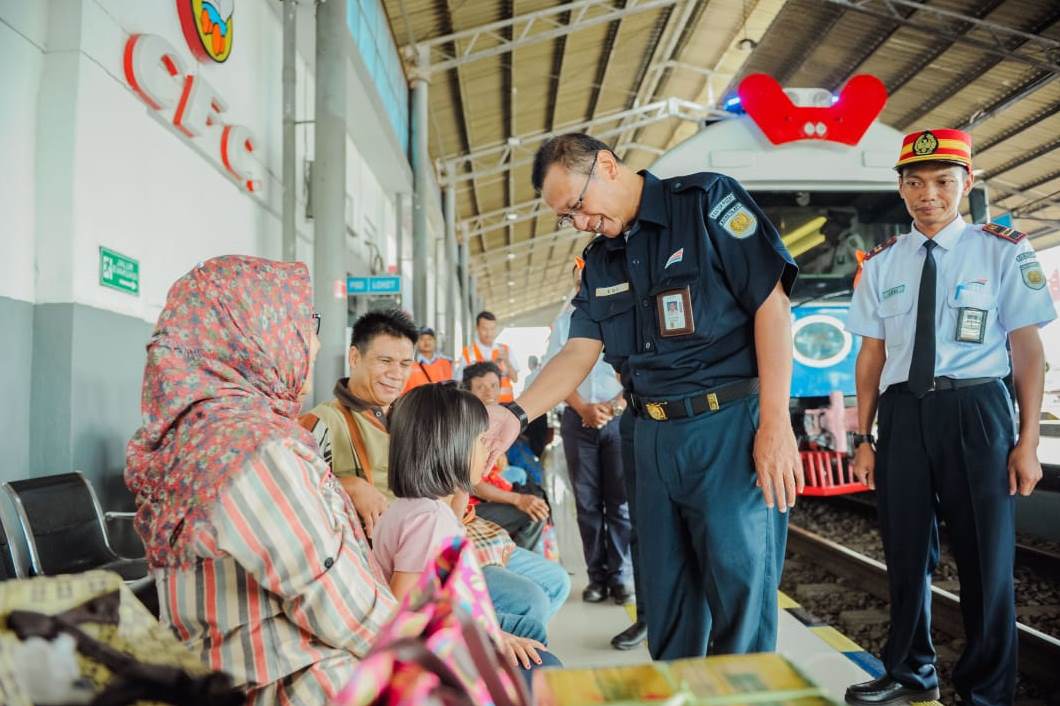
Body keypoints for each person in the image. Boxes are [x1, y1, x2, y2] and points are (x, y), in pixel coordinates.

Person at [484, 133, 801, 661]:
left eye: (578, 207)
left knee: (740, 600)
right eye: (568, 218)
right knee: (668, 601)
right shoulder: (602, 261)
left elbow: (772, 306)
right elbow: (577, 352)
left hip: (727, 429)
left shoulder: (705, 205)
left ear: (606, 166)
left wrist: (776, 423)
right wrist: (515, 413)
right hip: (650, 436)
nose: (580, 223)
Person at [125, 256, 397, 705]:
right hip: (302, 683)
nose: (312, 343)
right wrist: (442, 655)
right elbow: (338, 604)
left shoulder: (195, 434)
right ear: (256, 337)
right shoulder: (253, 449)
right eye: (303, 324)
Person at [844, 129, 1055, 706]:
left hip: (977, 408)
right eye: (915, 182)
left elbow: (1027, 349)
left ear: (966, 184)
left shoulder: (1003, 250)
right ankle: (909, 673)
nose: (927, 194)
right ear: (902, 189)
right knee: (905, 550)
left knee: (986, 555)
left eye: (941, 181)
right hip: (905, 414)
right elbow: (871, 356)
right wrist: (865, 436)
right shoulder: (881, 263)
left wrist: (1027, 440)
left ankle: (986, 690)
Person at [298, 311, 569, 640]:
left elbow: (460, 469)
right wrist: (347, 484)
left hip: (459, 526)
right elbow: (299, 493)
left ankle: (494, 643)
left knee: (557, 582)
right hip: (413, 547)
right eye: (385, 360)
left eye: (404, 363)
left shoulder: (414, 409)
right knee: (531, 603)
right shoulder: (323, 423)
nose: (396, 374)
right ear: (355, 357)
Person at [373, 383, 558, 671]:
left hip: (447, 618)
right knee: (542, 659)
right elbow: (405, 616)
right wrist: (490, 637)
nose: (490, 450)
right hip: (427, 652)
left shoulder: (423, 507)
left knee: (529, 633)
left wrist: (461, 485)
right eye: (483, 441)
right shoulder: (429, 520)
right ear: (452, 448)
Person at [544, 261, 634, 607]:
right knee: (587, 504)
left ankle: (621, 576)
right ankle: (597, 577)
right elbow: (554, 371)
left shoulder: (625, 312)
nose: (586, 286)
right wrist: (582, 407)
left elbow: (637, 366)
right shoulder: (565, 320)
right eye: (581, 281)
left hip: (618, 417)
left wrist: (615, 405)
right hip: (577, 419)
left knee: (620, 504)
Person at [463, 361, 551, 550]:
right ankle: (516, 565)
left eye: (494, 386)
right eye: (480, 387)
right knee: (533, 512)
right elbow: (475, 486)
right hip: (468, 507)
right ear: (468, 392)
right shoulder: (465, 427)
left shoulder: (494, 421)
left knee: (535, 497)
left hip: (488, 492)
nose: (489, 393)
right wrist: (519, 500)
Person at [457, 311, 519, 403]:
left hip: (505, 405)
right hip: (479, 406)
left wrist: (506, 361)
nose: (489, 333)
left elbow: (515, 379)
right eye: (485, 329)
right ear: (477, 328)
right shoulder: (468, 353)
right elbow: (460, 382)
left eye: (492, 329)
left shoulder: (505, 350)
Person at [403, 326, 454, 392]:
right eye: (422, 339)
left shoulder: (446, 363)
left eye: (429, 339)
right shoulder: (408, 365)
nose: (426, 342)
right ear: (416, 343)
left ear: (435, 341)